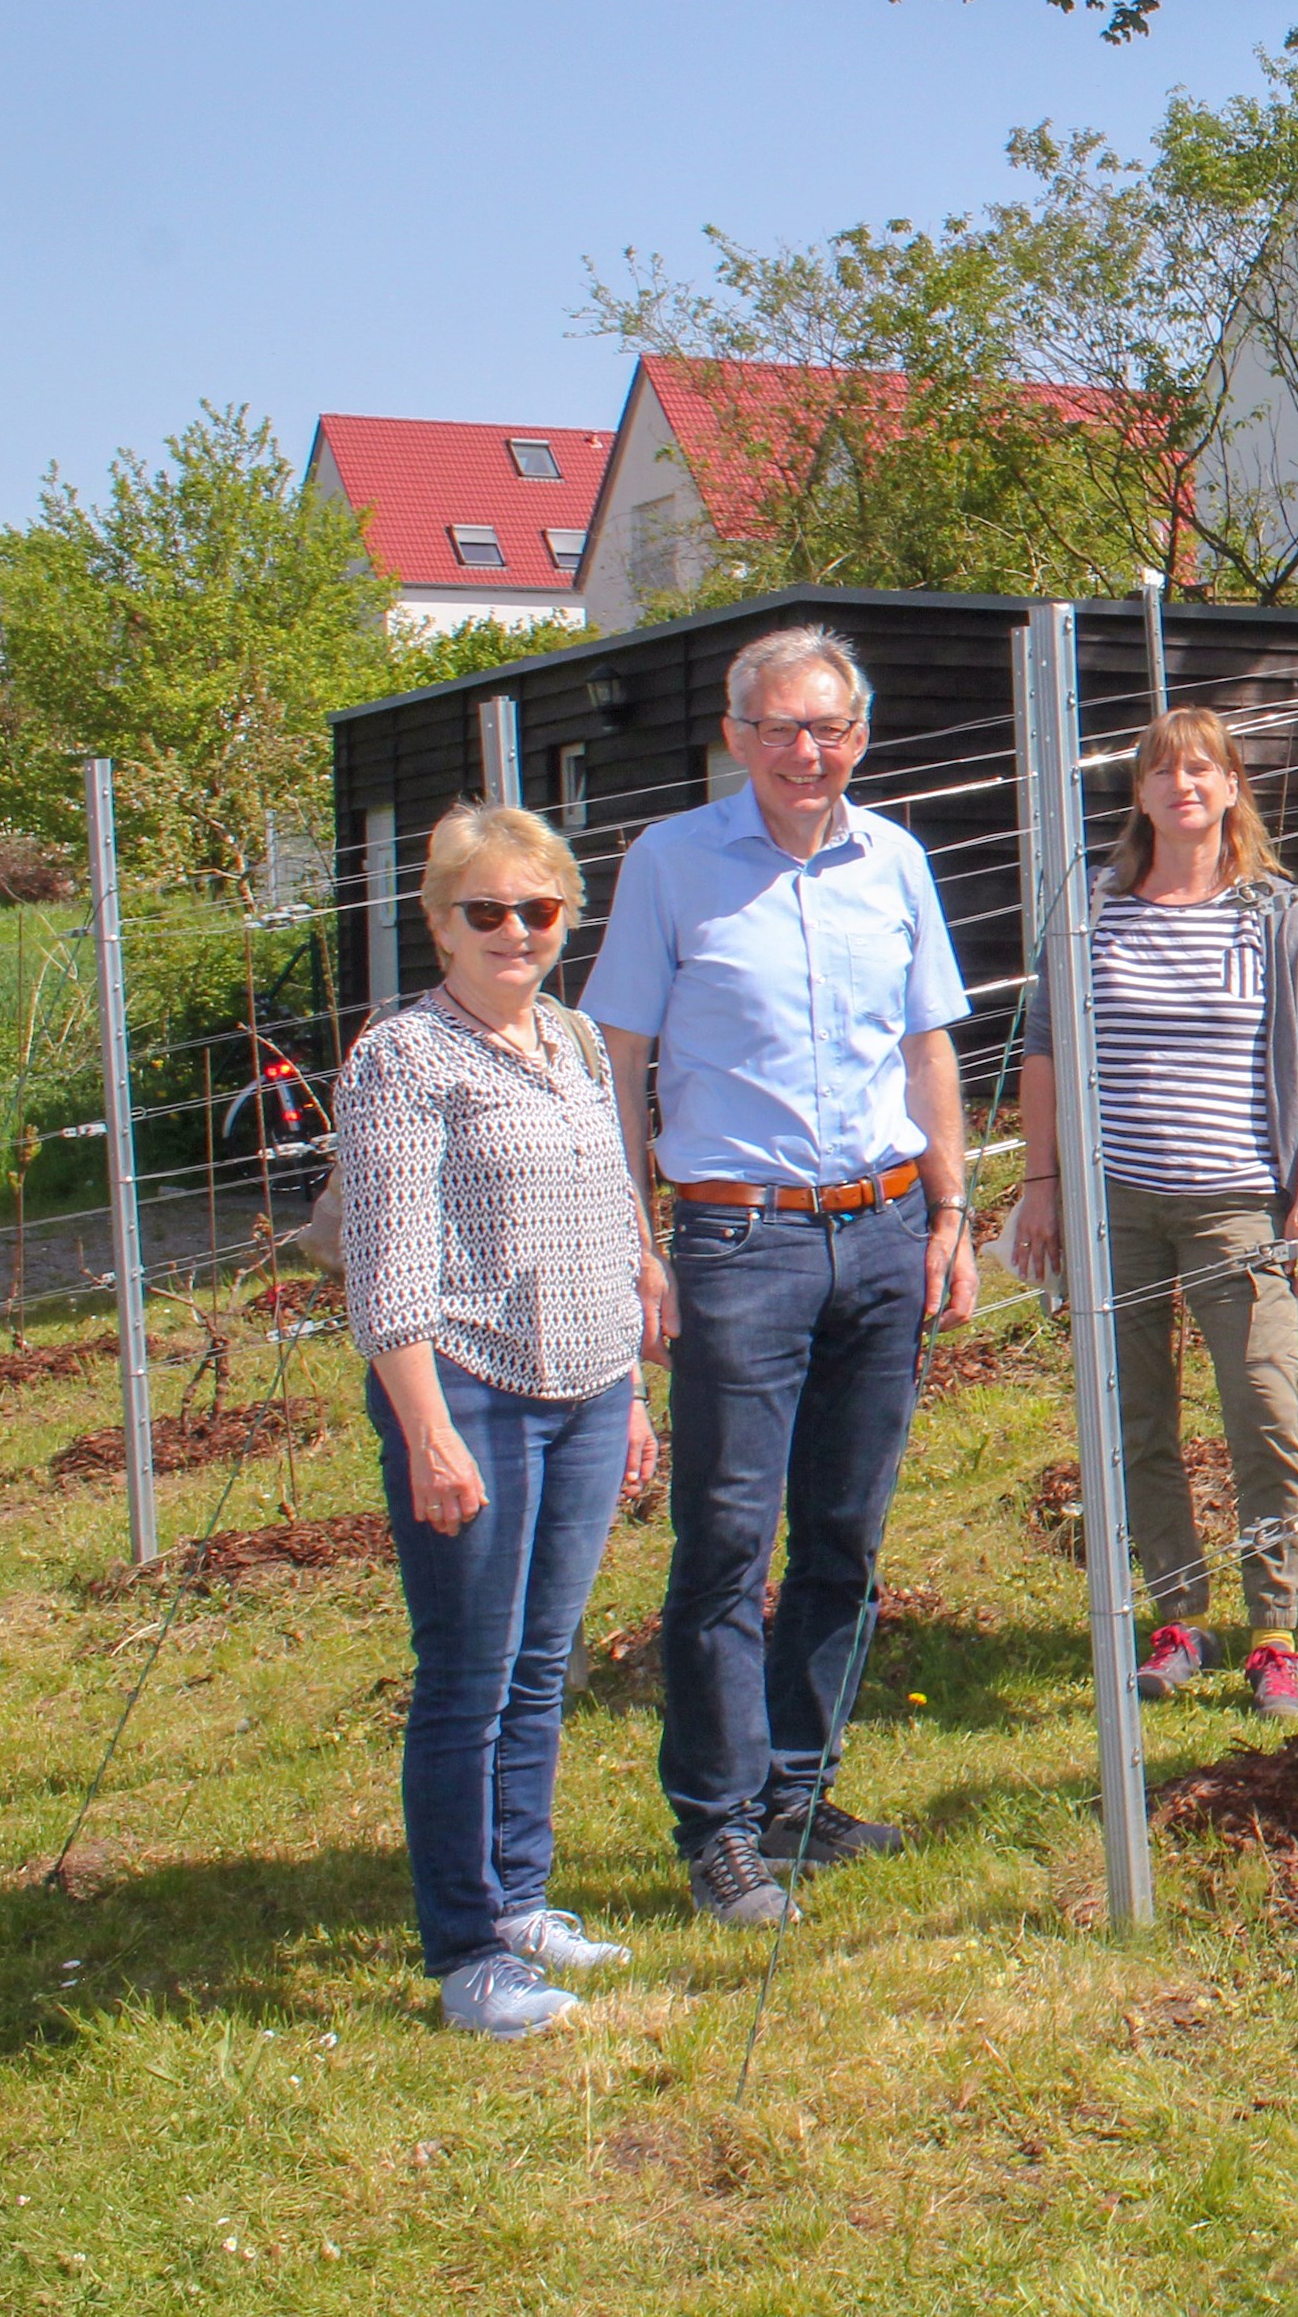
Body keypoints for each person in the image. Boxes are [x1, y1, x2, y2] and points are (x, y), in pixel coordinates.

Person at [581, 627, 978, 1930]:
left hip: (878, 1232)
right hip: (736, 1239)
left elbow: (927, 1052)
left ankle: (798, 1791)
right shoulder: (672, 864)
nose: (809, 752)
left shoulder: (898, 861)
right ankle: (719, 1823)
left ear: (859, 735)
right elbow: (619, 1058)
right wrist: (635, 1239)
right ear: (737, 735)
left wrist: (950, 1214)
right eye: (781, 728)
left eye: (831, 728)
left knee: (847, 1536)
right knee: (725, 1540)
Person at [340, 802, 657, 2037]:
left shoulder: (574, 1041)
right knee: (466, 1676)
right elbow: (387, 1270)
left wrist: (629, 1389)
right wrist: (427, 1429)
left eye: (537, 909)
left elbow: (612, 1218)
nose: (514, 931)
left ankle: (521, 1898)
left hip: (586, 1386)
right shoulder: (403, 1059)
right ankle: (465, 1947)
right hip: (469, 1388)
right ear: (439, 924)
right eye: (486, 912)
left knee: (541, 1664)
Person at [1010, 705, 1298, 1724]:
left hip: (1239, 1202)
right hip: (1120, 1204)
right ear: (1141, 792)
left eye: (1203, 769)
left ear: (1233, 787)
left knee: (1265, 1410)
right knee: (1134, 1418)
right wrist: (1043, 1184)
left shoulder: (1276, 912)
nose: (1183, 784)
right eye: (1162, 769)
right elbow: (1045, 1052)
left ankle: (1275, 1629)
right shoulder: (1092, 906)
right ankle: (1175, 1614)